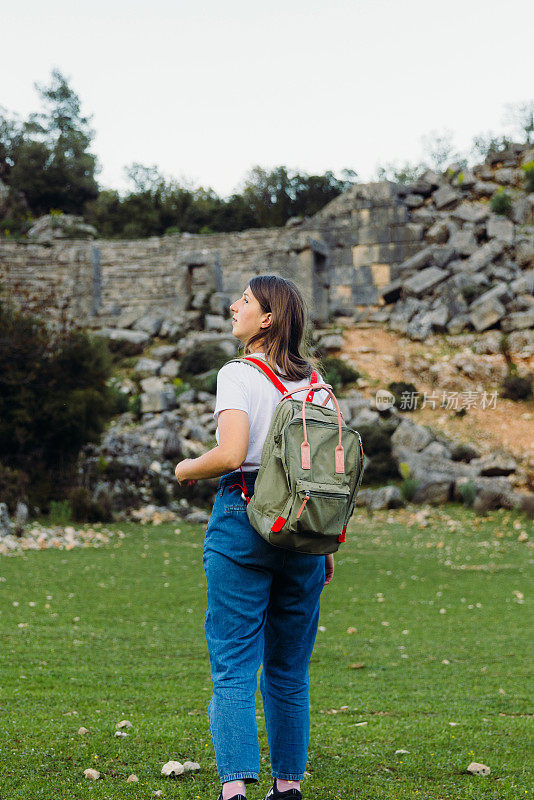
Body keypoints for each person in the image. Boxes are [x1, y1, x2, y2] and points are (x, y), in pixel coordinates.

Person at [175, 275, 335, 800]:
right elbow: (334, 476)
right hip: (307, 535)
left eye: (243, 301)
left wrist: (183, 468)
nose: (232, 307)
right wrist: (329, 545)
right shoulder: (319, 385)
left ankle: (235, 790)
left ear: (267, 319)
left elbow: (230, 452)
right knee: (289, 670)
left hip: (243, 518)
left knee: (234, 664)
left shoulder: (239, 373)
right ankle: (287, 788)